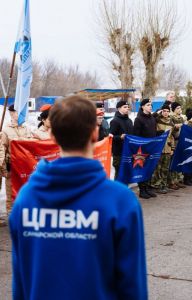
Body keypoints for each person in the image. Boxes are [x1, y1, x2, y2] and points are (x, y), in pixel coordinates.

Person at [8, 95, 148, 300]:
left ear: (53, 136)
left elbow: (20, 281)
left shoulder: (26, 199)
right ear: (95, 132)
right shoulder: (120, 202)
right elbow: (132, 285)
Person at [2, 104, 32, 214]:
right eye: (15, 113)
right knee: (10, 192)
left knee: (24, 190)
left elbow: (30, 147)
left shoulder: (27, 129)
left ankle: (24, 214)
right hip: (12, 165)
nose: (18, 115)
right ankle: (11, 215)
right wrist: (5, 169)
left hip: (24, 166)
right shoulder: (5, 130)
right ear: (11, 113)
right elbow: (2, 149)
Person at [132, 99, 158, 198]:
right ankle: (142, 189)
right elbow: (136, 135)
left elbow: (154, 132)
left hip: (151, 147)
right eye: (148, 105)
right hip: (142, 149)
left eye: (151, 105)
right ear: (142, 106)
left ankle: (147, 188)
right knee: (142, 168)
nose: (150, 106)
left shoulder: (152, 118)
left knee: (149, 168)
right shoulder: (138, 119)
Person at [151, 103, 175, 194]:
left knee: (165, 168)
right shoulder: (157, 121)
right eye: (164, 111)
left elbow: (171, 136)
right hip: (159, 148)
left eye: (167, 111)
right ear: (162, 111)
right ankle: (156, 185)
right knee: (157, 168)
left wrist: (172, 148)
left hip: (168, 149)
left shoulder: (171, 123)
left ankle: (163, 185)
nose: (166, 113)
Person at [109, 100, 134, 180]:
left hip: (128, 151)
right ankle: (116, 191)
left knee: (126, 173)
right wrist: (120, 137)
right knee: (119, 173)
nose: (127, 109)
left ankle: (124, 191)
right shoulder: (115, 121)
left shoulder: (129, 121)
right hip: (119, 152)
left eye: (128, 107)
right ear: (119, 108)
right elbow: (111, 137)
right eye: (125, 107)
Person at [169, 102, 186, 189]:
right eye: (178, 108)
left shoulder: (181, 118)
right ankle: (172, 181)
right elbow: (171, 129)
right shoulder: (171, 117)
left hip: (181, 141)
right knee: (173, 162)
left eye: (180, 108)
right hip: (174, 141)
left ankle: (178, 180)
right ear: (174, 109)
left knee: (179, 161)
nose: (180, 110)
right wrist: (176, 127)